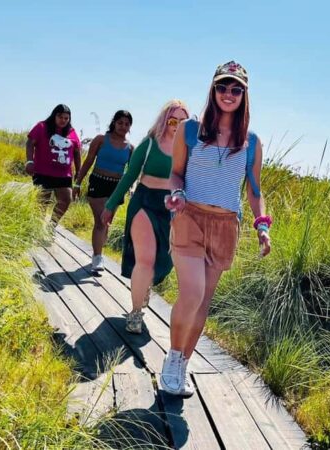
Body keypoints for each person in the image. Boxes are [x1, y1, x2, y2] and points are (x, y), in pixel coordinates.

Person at [160, 61, 271, 396]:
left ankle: (183, 362)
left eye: (236, 89)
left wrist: (261, 224)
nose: (228, 94)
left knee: (204, 301)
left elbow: (254, 189)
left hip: (226, 226)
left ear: (244, 96)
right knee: (191, 293)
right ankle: (172, 357)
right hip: (190, 217)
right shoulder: (191, 130)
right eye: (223, 87)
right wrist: (177, 193)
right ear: (213, 90)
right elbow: (176, 173)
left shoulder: (251, 141)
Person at [102, 100, 190, 334]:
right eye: (173, 120)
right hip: (145, 202)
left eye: (183, 121)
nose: (177, 125)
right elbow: (129, 175)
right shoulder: (150, 144)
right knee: (145, 260)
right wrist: (111, 205)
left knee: (163, 261)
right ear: (164, 121)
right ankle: (135, 313)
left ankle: (145, 285)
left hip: (172, 209)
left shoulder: (191, 150)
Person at [74, 110, 133, 271]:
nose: (123, 126)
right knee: (101, 221)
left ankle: (97, 252)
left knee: (106, 223)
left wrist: (130, 189)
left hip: (116, 187)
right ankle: (98, 257)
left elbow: (132, 172)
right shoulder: (101, 140)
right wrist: (77, 183)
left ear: (130, 127)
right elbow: (88, 162)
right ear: (113, 123)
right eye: (120, 122)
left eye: (126, 124)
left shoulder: (130, 148)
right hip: (98, 183)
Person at [25, 104, 82, 225]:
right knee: (42, 201)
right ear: (54, 116)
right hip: (43, 172)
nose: (63, 120)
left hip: (64, 174)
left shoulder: (71, 132)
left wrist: (79, 171)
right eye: (60, 117)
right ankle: (37, 228)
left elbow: (77, 152)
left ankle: (52, 225)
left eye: (66, 118)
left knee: (66, 199)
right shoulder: (42, 127)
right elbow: (30, 143)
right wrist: (29, 161)